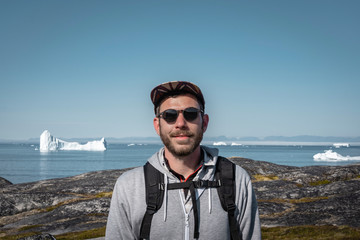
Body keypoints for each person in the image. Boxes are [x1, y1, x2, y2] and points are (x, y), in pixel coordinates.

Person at [106, 81, 261, 240]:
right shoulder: (129, 186)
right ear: (157, 125)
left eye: (191, 113)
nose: (180, 123)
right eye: (170, 115)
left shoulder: (237, 179)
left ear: (204, 122)